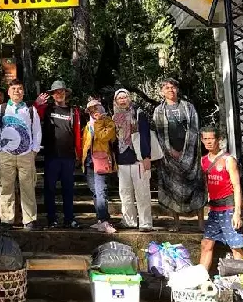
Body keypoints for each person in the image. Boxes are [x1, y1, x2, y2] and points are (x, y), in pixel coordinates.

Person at [153, 78, 206, 232]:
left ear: (177, 89)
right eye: (167, 88)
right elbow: (159, 134)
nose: (170, 90)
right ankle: (176, 223)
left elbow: (195, 129)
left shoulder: (188, 107)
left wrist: (186, 151)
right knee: (172, 187)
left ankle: (201, 224)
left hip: (190, 154)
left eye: (173, 87)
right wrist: (170, 151)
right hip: (169, 156)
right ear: (162, 92)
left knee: (196, 186)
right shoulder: (159, 111)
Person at [0, 79, 42, 230]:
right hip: (5, 154)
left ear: (23, 92)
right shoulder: (1, 109)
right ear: (8, 92)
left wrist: (34, 150)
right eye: (13, 89)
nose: (17, 91)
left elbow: (37, 130)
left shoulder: (30, 110)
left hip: (26, 154)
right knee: (6, 187)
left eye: (20, 89)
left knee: (28, 187)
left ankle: (29, 219)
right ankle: (6, 220)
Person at [34, 80, 82, 229]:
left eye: (62, 91)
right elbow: (32, 116)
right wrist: (37, 103)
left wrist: (79, 154)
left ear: (66, 93)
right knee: (50, 188)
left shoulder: (73, 111)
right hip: (51, 155)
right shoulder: (47, 109)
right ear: (52, 95)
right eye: (56, 92)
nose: (59, 94)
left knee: (68, 189)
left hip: (68, 156)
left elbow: (77, 132)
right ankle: (52, 219)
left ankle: (69, 218)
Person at [199, 126, 243, 269]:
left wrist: (237, 213)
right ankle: (201, 279)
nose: (208, 142)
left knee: (235, 246)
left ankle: (242, 281)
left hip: (229, 209)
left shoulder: (228, 160)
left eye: (211, 138)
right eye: (205, 139)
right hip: (214, 209)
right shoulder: (203, 161)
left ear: (218, 139)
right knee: (206, 244)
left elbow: (237, 186)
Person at [112, 88, 154, 232]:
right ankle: (129, 220)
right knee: (125, 193)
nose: (122, 100)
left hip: (139, 159)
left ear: (129, 98)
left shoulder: (138, 113)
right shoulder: (114, 117)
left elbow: (145, 135)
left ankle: (145, 222)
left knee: (142, 192)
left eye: (125, 97)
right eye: (119, 98)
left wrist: (147, 156)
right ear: (116, 101)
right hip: (122, 160)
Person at [82, 101, 117, 233]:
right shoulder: (87, 125)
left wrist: (98, 122)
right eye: (91, 110)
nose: (93, 112)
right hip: (89, 161)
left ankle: (105, 220)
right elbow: (85, 143)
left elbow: (104, 137)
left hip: (101, 160)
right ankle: (99, 219)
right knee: (95, 191)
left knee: (101, 190)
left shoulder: (108, 122)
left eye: (96, 108)